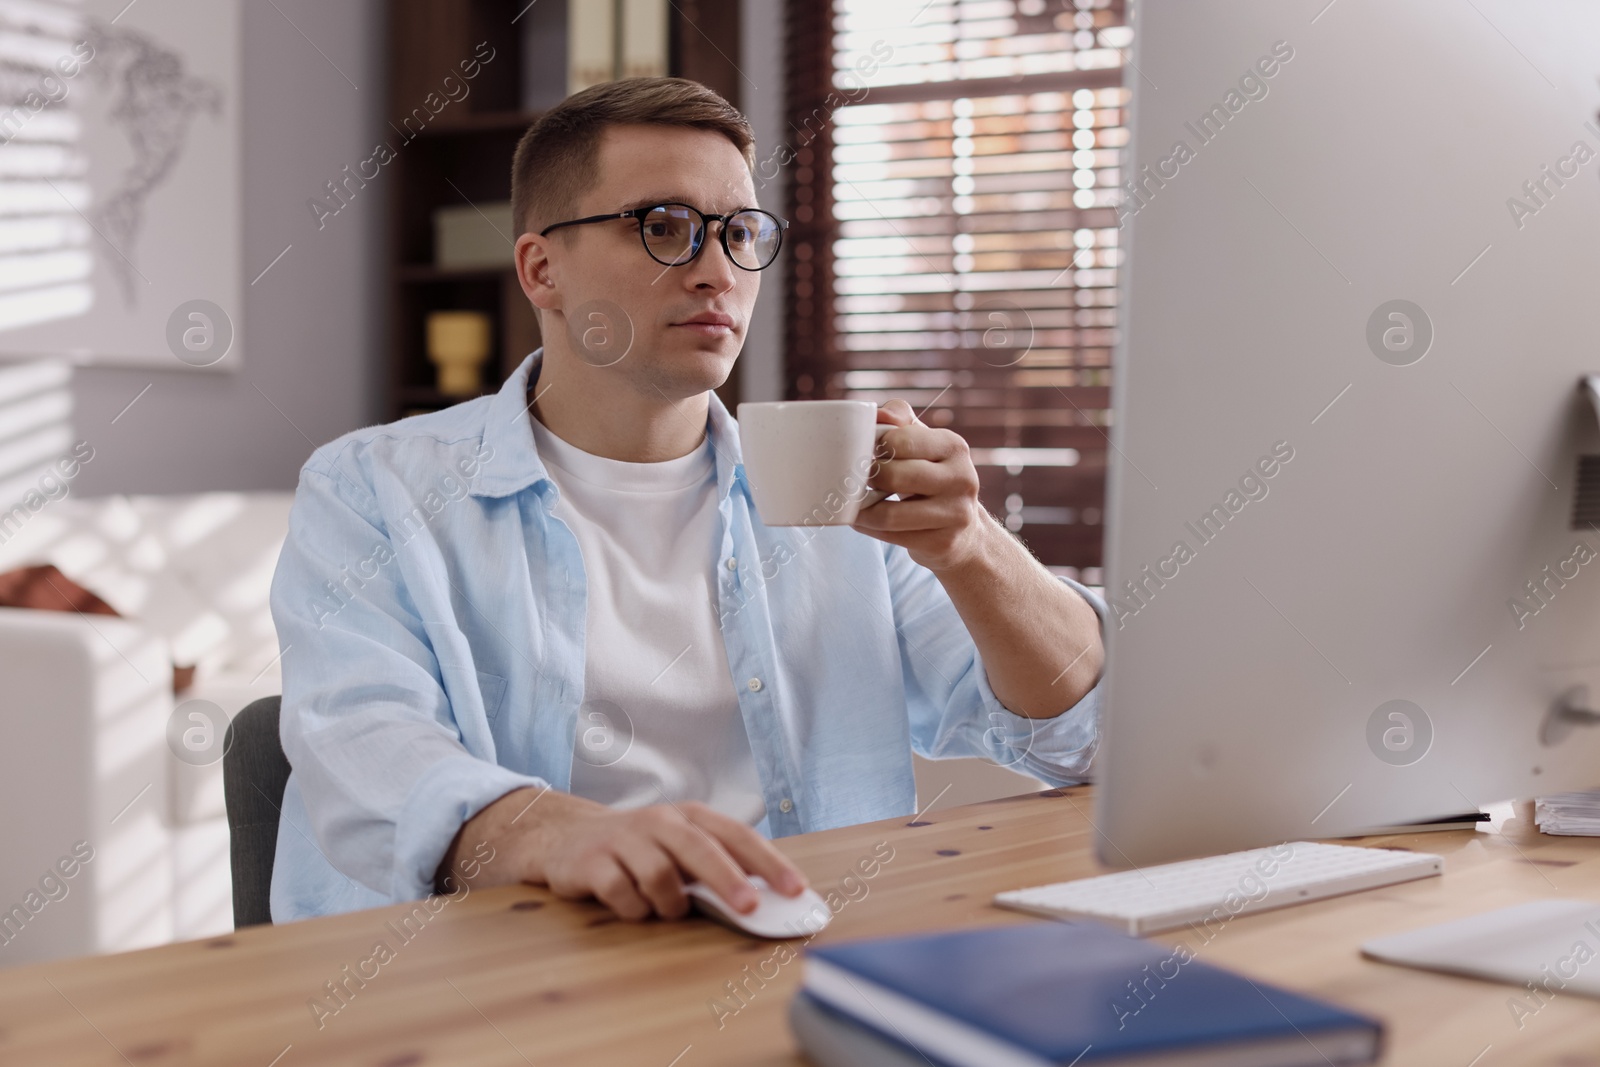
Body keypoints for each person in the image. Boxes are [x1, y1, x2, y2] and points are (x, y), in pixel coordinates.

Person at [268, 77, 1107, 925]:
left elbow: (1086, 739)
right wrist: (559, 835)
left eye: (740, 233)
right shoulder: (370, 488)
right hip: (490, 992)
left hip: (803, 959)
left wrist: (970, 547)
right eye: (663, 228)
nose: (716, 271)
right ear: (541, 268)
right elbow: (359, 737)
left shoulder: (842, 491)